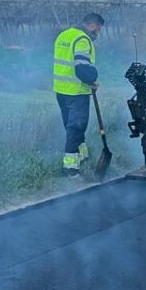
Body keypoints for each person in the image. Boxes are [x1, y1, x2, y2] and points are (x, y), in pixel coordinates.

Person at [52, 13, 104, 176]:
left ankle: (83, 157)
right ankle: (70, 168)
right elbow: (81, 68)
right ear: (93, 25)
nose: (98, 32)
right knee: (76, 127)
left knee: (71, 125)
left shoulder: (64, 35)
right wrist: (93, 79)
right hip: (76, 92)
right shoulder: (82, 39)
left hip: (61, 90)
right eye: (98, 28)